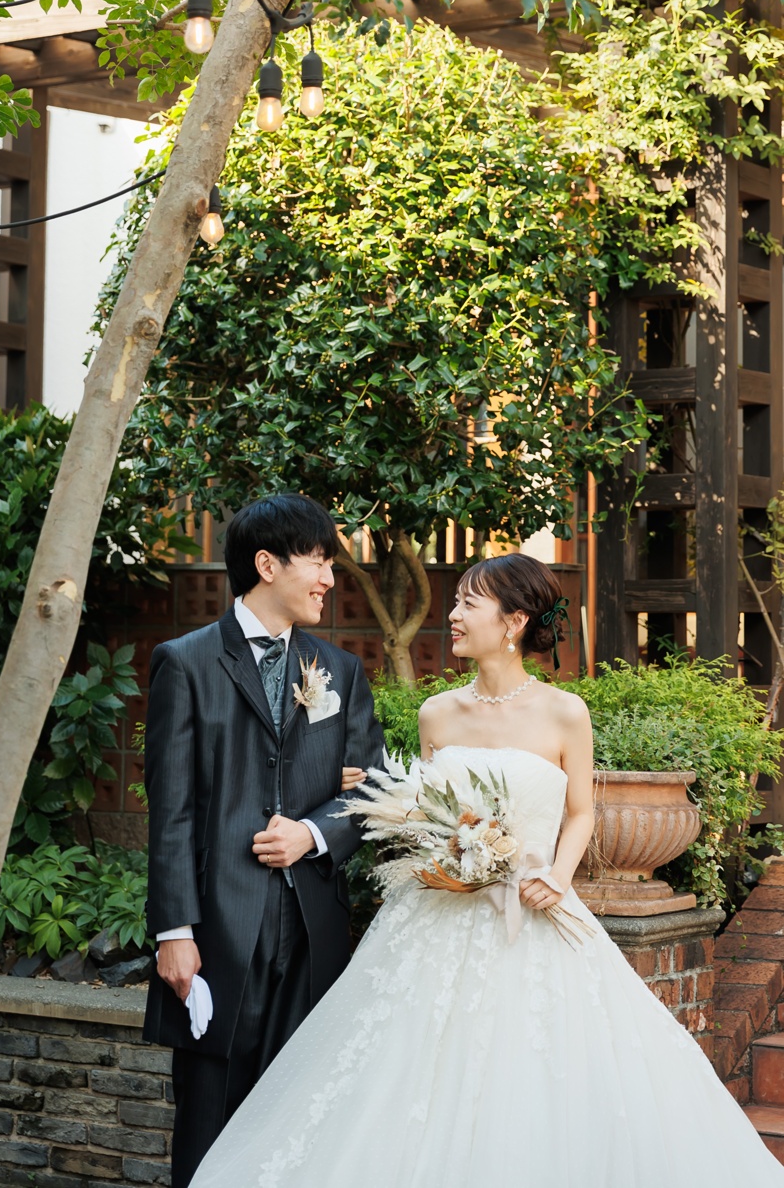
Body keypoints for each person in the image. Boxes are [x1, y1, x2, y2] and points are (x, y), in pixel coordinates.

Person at [187, 552, 784, 1188]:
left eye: (468, 604)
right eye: (456, 603)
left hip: (534, 910)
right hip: (435, 912)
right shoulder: (437, 713)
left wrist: (558, 875)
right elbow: (424, 816)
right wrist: (404, 818)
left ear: (514, 621)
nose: (452, 615)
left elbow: (581, 812)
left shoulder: (565, 713)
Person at [143, 493, 386, 1188]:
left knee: (301, 1115)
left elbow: (373, 789)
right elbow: (172, 809)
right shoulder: (185, 663)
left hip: (312, 929)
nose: (329, 579)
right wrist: (174, 932)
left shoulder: (339, 671)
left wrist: (312, 832)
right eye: (319, 561)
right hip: (219, 928)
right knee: (209, 1114)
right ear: (267, 564)